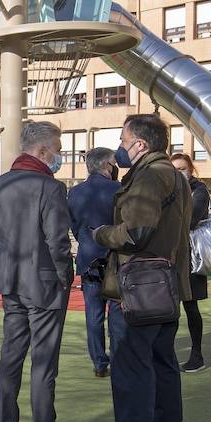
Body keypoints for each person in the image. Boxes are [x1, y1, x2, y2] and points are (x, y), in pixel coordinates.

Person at [87, 114, 191, 422]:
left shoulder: (149, 176)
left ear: (141, 145)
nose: (120, 147)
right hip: (166, 287)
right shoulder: (175, 177)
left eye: (123, 140)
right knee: (163, 363)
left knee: (131, 368)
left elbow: (135, 234)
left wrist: (102, 233)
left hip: (138, 290)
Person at [0, 121, 76, 422]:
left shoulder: (0, 183)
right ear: (42, 150)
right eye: (58, 148)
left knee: (11, 354)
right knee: (43, 361)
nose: (60, 154)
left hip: (11, 277)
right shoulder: (50, 187)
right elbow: (57, 241)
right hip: (45, 281)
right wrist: (65, 275)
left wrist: (14, 242)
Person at [68, 147, 120, 379]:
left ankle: (99, 360)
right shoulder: (119, 190)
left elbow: (74, 226)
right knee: (118, 310)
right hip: (114, 258)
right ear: (107, 165)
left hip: (88, 258)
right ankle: (118, 355)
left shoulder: (75, 192)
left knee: (94, 313)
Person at [171, 153, 210, 372]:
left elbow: (191, 218)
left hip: (193, 257)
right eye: (174, 169)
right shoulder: (169, 189)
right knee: (172, 307)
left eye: (182, 168)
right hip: (173, 255)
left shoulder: (199, 190)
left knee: (191, 306)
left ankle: (197, 355)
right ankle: (169, 355)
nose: (178, 172)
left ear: (191, 169)